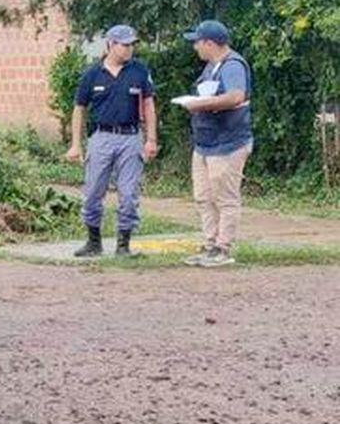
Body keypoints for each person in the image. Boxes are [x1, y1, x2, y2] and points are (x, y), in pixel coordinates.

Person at [65, 25, 158, 257]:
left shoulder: (139, 70)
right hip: (101, 137)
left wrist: (151, 139)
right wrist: (76, 144)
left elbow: (148, 104)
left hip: (130, 137)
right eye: (124, 45)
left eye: (132, 45)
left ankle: (123, 245)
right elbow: (79, 109)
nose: (129, 49)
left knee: (128, 193)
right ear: (110, 45)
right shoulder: (92, 74)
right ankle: (93, 241)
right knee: (93, 191)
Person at [179, 20, 253, 267]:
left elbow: (236, 96)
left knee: (225, 198)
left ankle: (223, 247)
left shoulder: (232, 65)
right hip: (206, 143)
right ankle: (209, 244)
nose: (195, 48)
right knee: (204, 197)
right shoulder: (212, 67)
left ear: (209, 43)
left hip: (228, 143)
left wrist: (199, 105)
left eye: (197, 42)